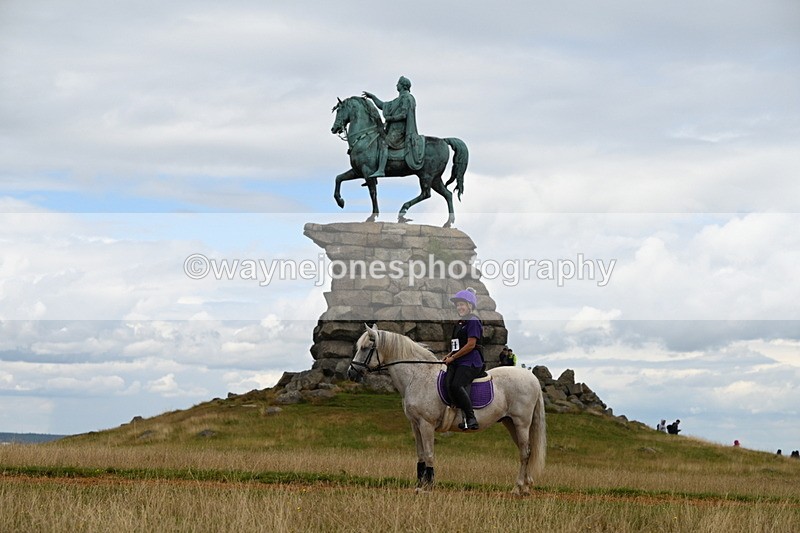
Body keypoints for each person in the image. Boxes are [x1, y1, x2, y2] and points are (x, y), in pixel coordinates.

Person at [362, 76, 424, 177]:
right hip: (393, 129)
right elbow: (383, 105)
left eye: (398, 83)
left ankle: (381, 170)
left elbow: (404, 115)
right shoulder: (398, 99)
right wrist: (373, 97)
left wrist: (391, 118)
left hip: (400, 131)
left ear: (403, 85)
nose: (396, 85)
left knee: (384, 144)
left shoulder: (407, 98)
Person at [443, 287, 484, 431]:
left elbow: (471, 345)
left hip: (471, 361)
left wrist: (453, 357)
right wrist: (449, 355)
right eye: (458, 305)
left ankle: (471, 418)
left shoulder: (473, 321)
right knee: (447, 381)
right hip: (458, 360)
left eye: (462, 304)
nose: (459, 307)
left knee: (456, 385)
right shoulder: (459, 323)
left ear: (470, 306)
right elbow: (457, 345)